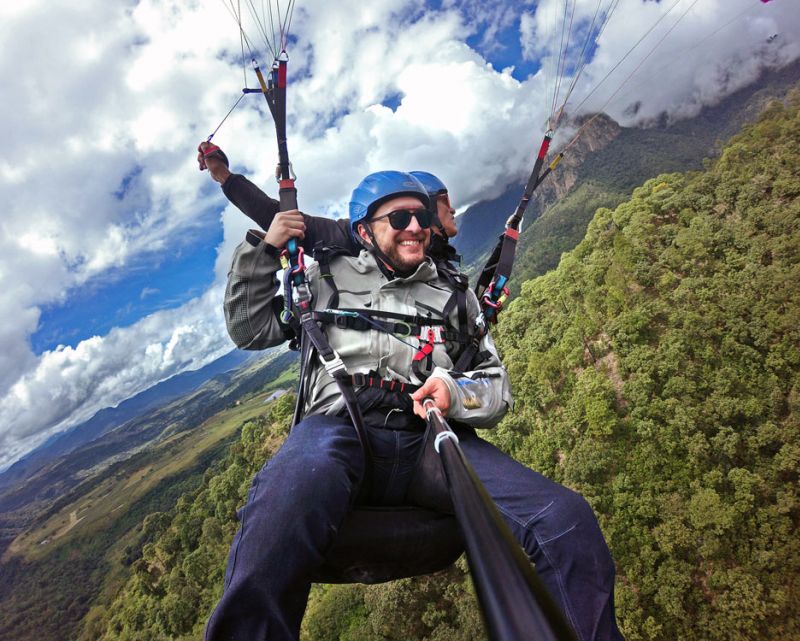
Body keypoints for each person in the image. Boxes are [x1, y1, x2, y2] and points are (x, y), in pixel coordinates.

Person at [204, 170, 624, 641]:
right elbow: (250, 330)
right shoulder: (322, 277)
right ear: (364, 230)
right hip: (341, 430)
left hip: (431, 439)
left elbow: (495, 385)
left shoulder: (454, 295)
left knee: (565, 520)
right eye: (398, 216)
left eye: (421, 216)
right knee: (283, 500)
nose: (414, 226)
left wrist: (454, 390)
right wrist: (263, 252)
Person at [197, 141, 460, 268]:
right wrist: (225, 178)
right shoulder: (362, 239)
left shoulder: (442, 260)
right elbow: (290, 223)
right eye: (444, 200)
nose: (453, 209)